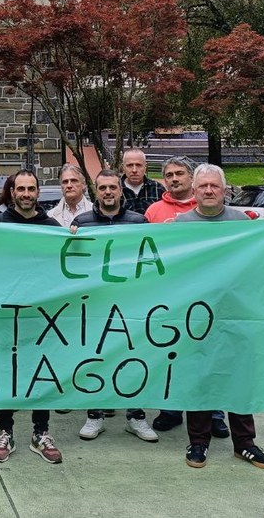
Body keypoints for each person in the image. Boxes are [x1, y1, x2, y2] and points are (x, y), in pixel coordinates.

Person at [176, 163, 264, 470]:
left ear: (224, 190)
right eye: (203, 186)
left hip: (237, 315)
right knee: (201, 377)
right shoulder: (179, 224)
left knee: (239, 378)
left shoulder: (242, 222)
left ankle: (244, 443)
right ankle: (198, 442)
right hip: (197, 317)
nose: (208, 190)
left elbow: (263, 258)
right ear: (193, 192)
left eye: (214, 186)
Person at [70, 169, 158, 445]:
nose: (108, 192)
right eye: (102, 188)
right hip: (95, 304)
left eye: (112, 187)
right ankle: (95, 413)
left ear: (120, 191)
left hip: (130, 302)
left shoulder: (138, 221)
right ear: (95, 191)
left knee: (133, 357)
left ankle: (135, 415)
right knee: (94, 357)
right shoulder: (81, 223)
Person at [145, 156, 228, 438]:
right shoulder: (158, 214)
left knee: (212, 358)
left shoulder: (223, 215)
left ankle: (215, 413)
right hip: (176, 299)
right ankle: (172, 409)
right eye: (169, 174)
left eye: (180, 173)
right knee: (176, 356)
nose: (174, 178)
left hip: (217, 301)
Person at [0, 170, 64, 465]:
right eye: (21, 189)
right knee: (8, 371)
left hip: (40, 315)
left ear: (38, 192)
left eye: (31, 188)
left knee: (40, 371)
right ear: (13, 192)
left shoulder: (52, 226)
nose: (27, 194)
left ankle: (40, 433)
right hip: (7, 314)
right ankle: (5, 431)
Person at [47, 163, 93, 228]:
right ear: (61, 186)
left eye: (74, 181)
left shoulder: (96, 212)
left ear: (83, 185)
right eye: (65, 182)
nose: (69, 185)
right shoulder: (50, 215)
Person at [119, 148, 164, 216]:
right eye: (130, 165)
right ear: (123, 167)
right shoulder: (115, 189)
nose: (134, 170)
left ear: (145, 166)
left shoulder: (158, 188)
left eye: (139, 165)